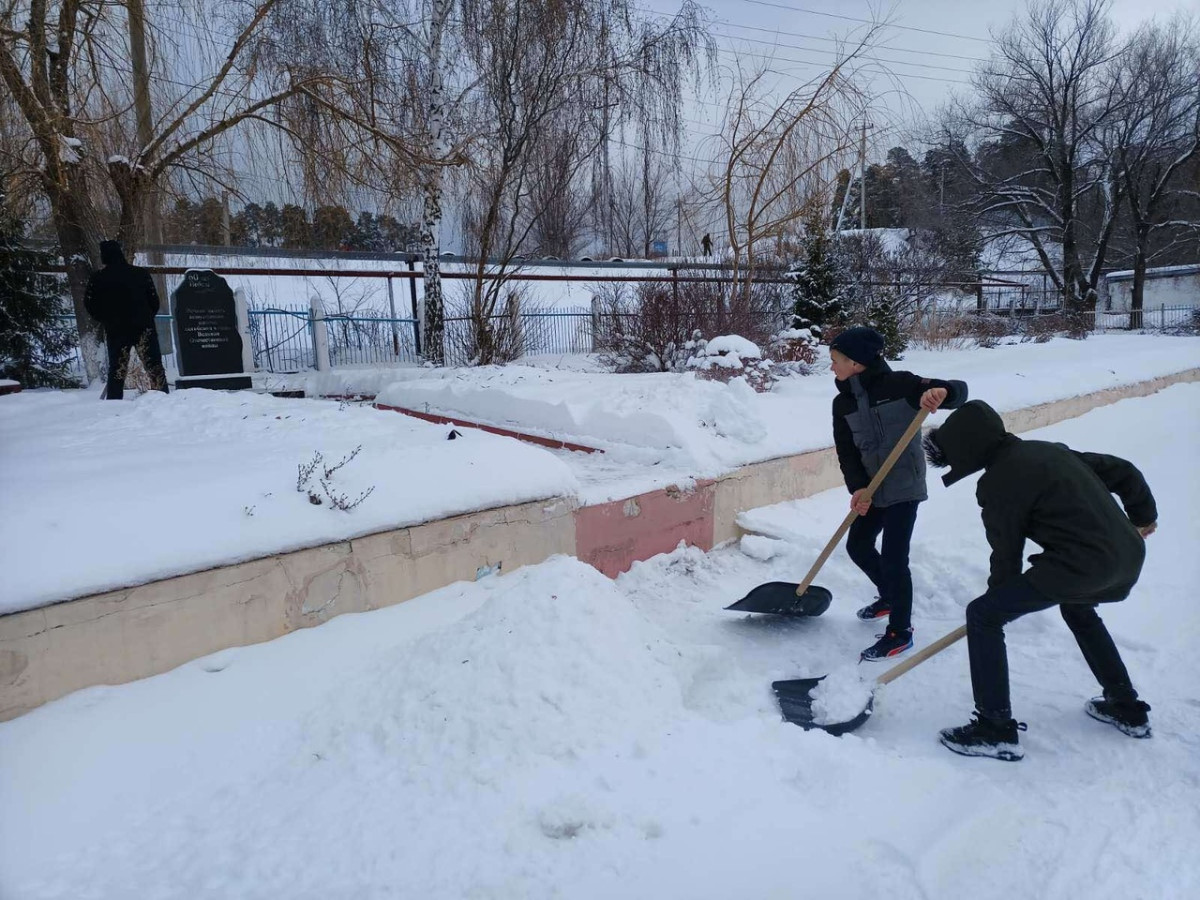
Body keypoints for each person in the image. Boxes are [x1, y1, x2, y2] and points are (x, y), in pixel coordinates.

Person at [924, 400, 1157, 762]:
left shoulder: (998, 482)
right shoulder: (1049, 451)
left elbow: (1006, 553)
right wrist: (1143, 517)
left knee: (984, 614)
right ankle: (1125, 705)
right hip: (1127, 554)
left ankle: (994, 728)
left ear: (968, 449)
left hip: (1082, 564)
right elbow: (1123, 471)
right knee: (1078, 609)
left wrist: (996, 602)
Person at [829, 326, 968, 660]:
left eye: (836, 360)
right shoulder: (842, 403)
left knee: (894, 559)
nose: (831, 367)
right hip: (873, 487)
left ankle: (900, 631)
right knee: (858, 545)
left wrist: (941, 393)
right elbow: (847, 452)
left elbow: (958, 392)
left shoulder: (901, 385)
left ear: (857, 362)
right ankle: (889, 596)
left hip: (904, 486)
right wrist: (858, 487)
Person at [84, 240, 168, 399]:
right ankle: (163, 398)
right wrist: (146, 316)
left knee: (117, 368)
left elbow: (90, 304)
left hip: (116, 329)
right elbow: (154, 301)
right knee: (154, 365)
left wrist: (105, 319)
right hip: (143, 327)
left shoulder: (98, 279)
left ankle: (114, 401)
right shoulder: (141, 274)